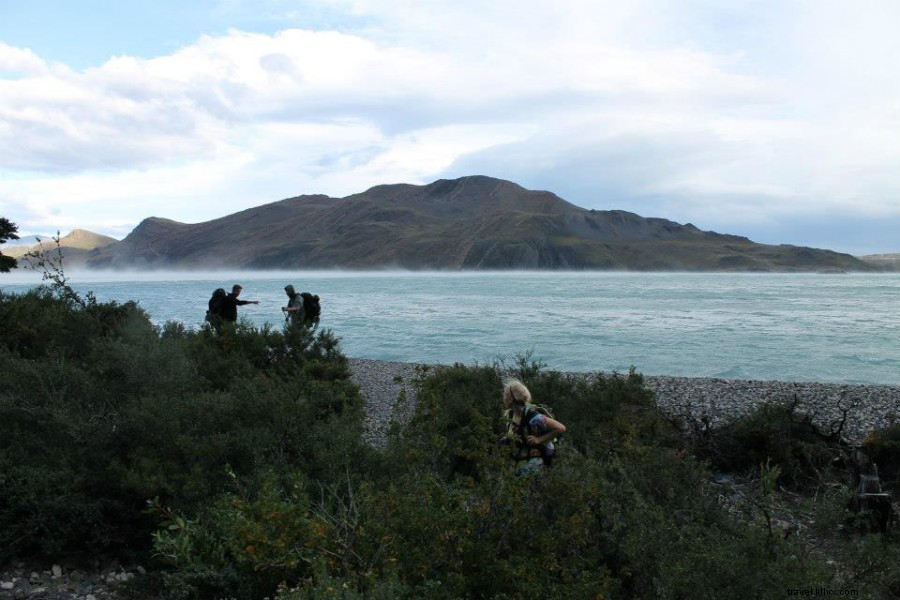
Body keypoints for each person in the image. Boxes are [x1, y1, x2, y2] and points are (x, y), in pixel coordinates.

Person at [501, 379, 566, 475]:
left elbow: (561, 428)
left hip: (534, 462)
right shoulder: (509, 414)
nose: (503, 397)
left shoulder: (534, 418)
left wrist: (539, 439)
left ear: (511, 398)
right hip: (519, 459)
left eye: (505, 395)